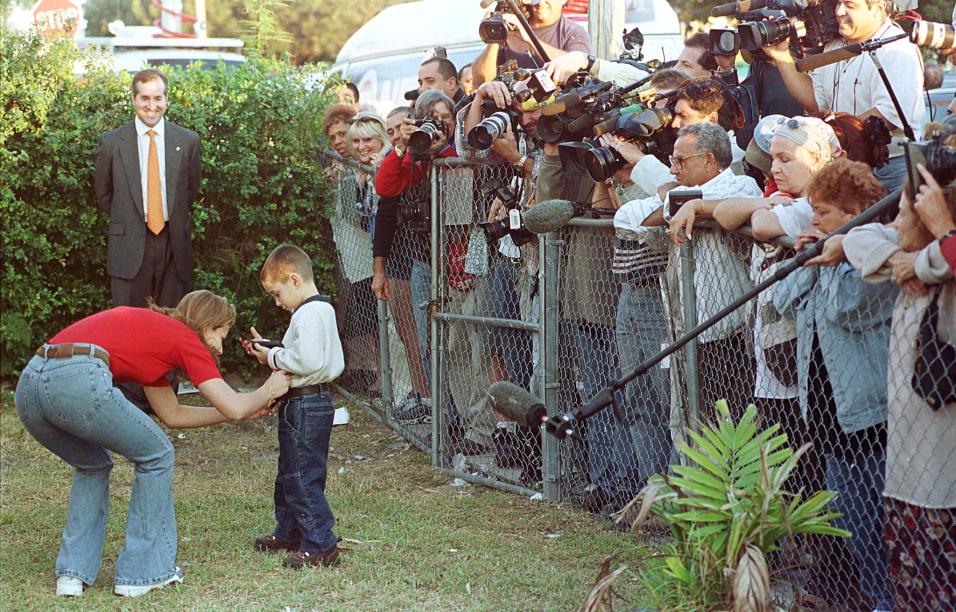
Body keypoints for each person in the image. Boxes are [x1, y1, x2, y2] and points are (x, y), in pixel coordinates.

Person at [14, 290, 291, 597]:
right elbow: (236, 406)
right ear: (206, 323)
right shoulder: (185, 337)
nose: (221, 347)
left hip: (31, 384)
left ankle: (71, 575)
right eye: (220, 334)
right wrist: (268, 389)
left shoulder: (156, 341)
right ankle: (141, 574)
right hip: (79, 377)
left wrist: (237, 411)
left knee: (93, 464)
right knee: (157, 455)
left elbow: (173, 414)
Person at [774, 158, 896, 610]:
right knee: (849, 518)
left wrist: (833, 257)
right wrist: (809, 259)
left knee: (875, 522)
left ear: (855, 213)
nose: (814, 221)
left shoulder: (877, 259)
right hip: (827, 411)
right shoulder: (826, 253)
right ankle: (872, 595)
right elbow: (780, 301)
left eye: (823, 212)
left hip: (869, 413)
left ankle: (887, 600)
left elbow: (848, 304)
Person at [615, 123, 762, 439]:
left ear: (709, 160)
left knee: (730, 434)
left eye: (681, 161)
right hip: (687, 337)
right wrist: (680, 206)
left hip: (730, 340)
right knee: (689, 431)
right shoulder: (686, 192)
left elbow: (680, 206)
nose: (673, 168)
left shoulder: (742, 186)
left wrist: (683, 204)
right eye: (672, 159)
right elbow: (626, 218)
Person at [243, 245, 345, 569]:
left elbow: (307, 360)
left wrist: (271, 357)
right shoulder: (319, 310)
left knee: (301, 474)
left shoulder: (308, 313)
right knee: (289, 472)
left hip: (306, 404)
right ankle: (290, 531)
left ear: (294, 280)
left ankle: (320, 544)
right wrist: (273, 346)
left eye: (276, 293)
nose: (277, 301)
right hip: (306, 403)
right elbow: (302, 352)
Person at [762, 0, 924, 193]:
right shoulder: (833, 46)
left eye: (850, 5)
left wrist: (825, 136)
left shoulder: (897, 49)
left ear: (878, 9)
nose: (839, 11)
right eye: (839, 3)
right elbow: (815, 101)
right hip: (845, 163)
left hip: (891, 169)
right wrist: (781, 57)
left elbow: (886, 117)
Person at [95, 69, 201, 311]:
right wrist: (131, 218)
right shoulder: (113, 142)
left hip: (173, 245)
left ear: (166, 100)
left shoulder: (187, 141)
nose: (151, 106)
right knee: (130, 325)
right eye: (144, 98)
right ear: (133, 99)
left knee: (170, 324)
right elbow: (104, 192)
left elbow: (190, 191)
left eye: (158, 98)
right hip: (130, 244)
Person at [472, 0, 592, 88]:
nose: (540, 2)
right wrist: (496, 33)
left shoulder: (574, 33)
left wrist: (528, 37)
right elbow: (480, 82)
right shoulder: (511, 28)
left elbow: (579, 73)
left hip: (554, 115)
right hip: (513, 115)